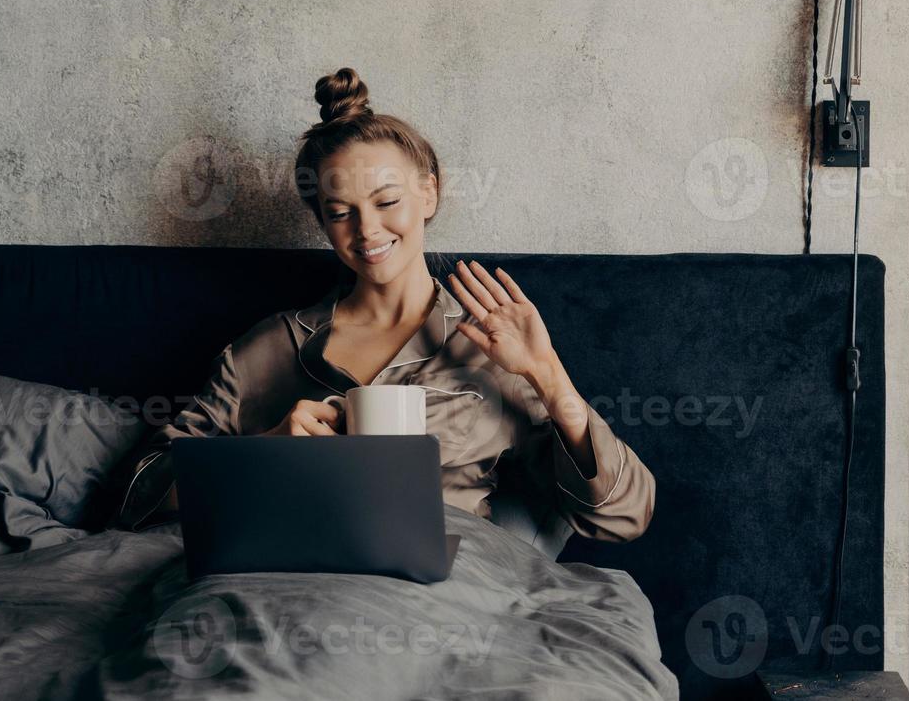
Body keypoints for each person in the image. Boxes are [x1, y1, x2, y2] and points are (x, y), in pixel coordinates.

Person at [114, 67, 655, 543]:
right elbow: (138, 498)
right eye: (340, 212)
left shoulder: (490, 350)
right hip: (285, 578)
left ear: (429, 194)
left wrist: (549, 375)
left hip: (437, 593)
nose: (367, 229)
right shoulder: (267, 349)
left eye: (387, 201)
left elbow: (623, 516)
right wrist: (266, 450)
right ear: (322, 223)